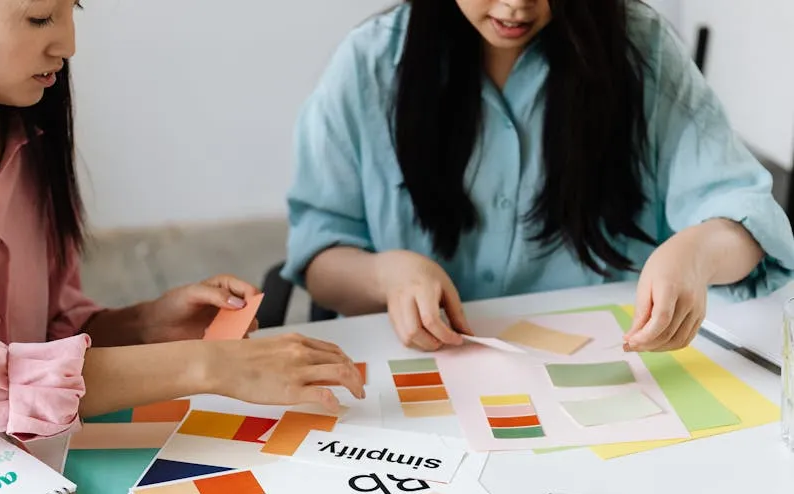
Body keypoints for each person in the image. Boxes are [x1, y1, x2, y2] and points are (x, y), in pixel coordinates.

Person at [0, 0, 363, 441]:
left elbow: (44, 333)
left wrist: (145, 324)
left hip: (29, 473)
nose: (68, 45)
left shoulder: (31, 140)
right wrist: (210, 367)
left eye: (71, 11)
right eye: (39, 18)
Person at [281, 0, 794, 354]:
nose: (515, 7)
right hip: (426, 380)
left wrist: (697, 253)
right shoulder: (369, 62)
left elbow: (747, 217)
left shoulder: (642, 48)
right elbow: (320, 254)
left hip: (606, 376)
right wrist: (384, 276)